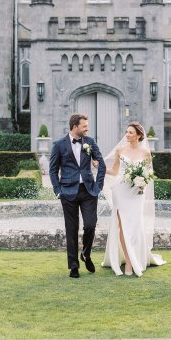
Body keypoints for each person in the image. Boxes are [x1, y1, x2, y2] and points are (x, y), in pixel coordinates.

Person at [101, 121, 165, 277]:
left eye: (130, 132)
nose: (127, 135)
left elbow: (149, 175)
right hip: (120, 190)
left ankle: (135, 257)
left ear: (139, 135)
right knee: (122, 226)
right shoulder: (120, 150)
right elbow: (115, 171)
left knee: (135, 226)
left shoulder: (145, 153)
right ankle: (129, 261)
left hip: (136, 193)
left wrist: (143, 184)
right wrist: (100, 167)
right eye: (126, 132)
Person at [49, 113, 106, 278]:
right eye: (84, 126)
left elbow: (101, 163)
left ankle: (86, 254)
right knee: (71, 230)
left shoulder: (90, 142)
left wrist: (99, 185)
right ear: (75, 127)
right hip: (67, 192)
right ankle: (73, 266)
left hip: (88, 191)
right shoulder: (59, 145)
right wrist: (58, 190)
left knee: (90, 225)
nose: (87, 129)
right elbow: (53, 170)